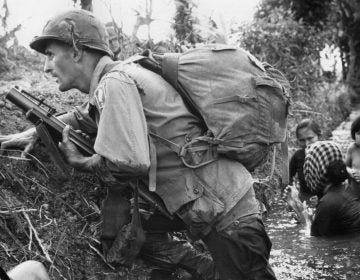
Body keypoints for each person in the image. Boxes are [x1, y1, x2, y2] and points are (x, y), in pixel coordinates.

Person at [0, 9, 277, 279]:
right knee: (132, 230)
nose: (46, 66)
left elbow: (129, 162)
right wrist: (37, 130)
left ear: (76, 51)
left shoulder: (115, 83)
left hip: (228, 217)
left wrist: (81, 161)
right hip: (215, 207)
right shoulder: (120, 78)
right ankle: (205, 268)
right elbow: (83, 117)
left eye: (50, 55)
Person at [286, 141, 360, 237]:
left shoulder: (327, 204)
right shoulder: (350, 189)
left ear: (315, 170)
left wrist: (302, 216)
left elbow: (314, 243)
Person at [289, 118, 321, 201]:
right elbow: (289, 178)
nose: (307, 144)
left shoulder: (327, 154)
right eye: (302, 140)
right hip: (304, 198)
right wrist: (291, 195)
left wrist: (322, 198)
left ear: (319, 136)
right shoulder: (298, 156)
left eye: (310, 138)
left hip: (325, 199)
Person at [345, 115, 360, 187]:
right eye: (359, 134)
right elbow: (345, 167)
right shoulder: (352, 149)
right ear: (354, 134)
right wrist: (351, 172)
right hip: (355, 192)